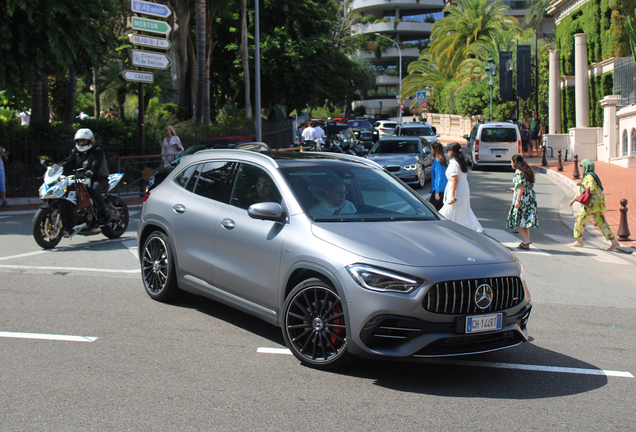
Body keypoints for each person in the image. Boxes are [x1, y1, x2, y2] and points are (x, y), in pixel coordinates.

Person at [59, 129, 111, 229]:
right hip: (83, 178)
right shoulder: (76, 151)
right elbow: (68, 161)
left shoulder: (97, 150)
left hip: (99, 178)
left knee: (93, 189)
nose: (82, 143)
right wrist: (58, 168)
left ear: (90, 141)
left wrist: (91, 171)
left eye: (84, 141)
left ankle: (105, 212)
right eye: (80, 141)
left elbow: (97, 162)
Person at [568, 159, 620, 250]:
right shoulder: (594, 176)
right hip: (598, 205)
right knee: (602, 223)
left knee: (580, 220)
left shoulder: (589, 177)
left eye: (582, 166)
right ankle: (614, 242)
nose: (581, 168)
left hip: (591, 205)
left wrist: (581, 185)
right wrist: (574, 199)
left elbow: (592, 190)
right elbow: (584, 193)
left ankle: (579, 241)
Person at [439, 143, 484, 233]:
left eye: (448, 151)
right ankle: (471, 228)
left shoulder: (454, 163)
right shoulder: (461, 161)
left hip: (457, 189)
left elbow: (455, 180)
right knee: (463, 209)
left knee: (451, 208)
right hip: (463, 187)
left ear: (451, 151)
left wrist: (452, 195)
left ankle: (443, 226)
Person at [506, 155, 539, 249]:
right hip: (529, 198)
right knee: (525, 220)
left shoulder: (519, 172)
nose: (511, 164)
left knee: (516, 219)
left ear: (515, 162)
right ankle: (526, 243)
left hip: (523, 199)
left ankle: (525, 240)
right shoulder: (527, 170)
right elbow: (524, 185)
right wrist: (514, 189)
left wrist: (517, 200)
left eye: (511, 162)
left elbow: (521, 187)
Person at [429, 142, 448, 211]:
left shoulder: (437, 161)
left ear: (435, 150)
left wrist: (437, 191)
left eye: (431, 149)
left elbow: (438, 177)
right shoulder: (442, 161)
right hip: (443, 189)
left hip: (438, 190)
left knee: (430, 210)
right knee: (439, 211)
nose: (430, 150)